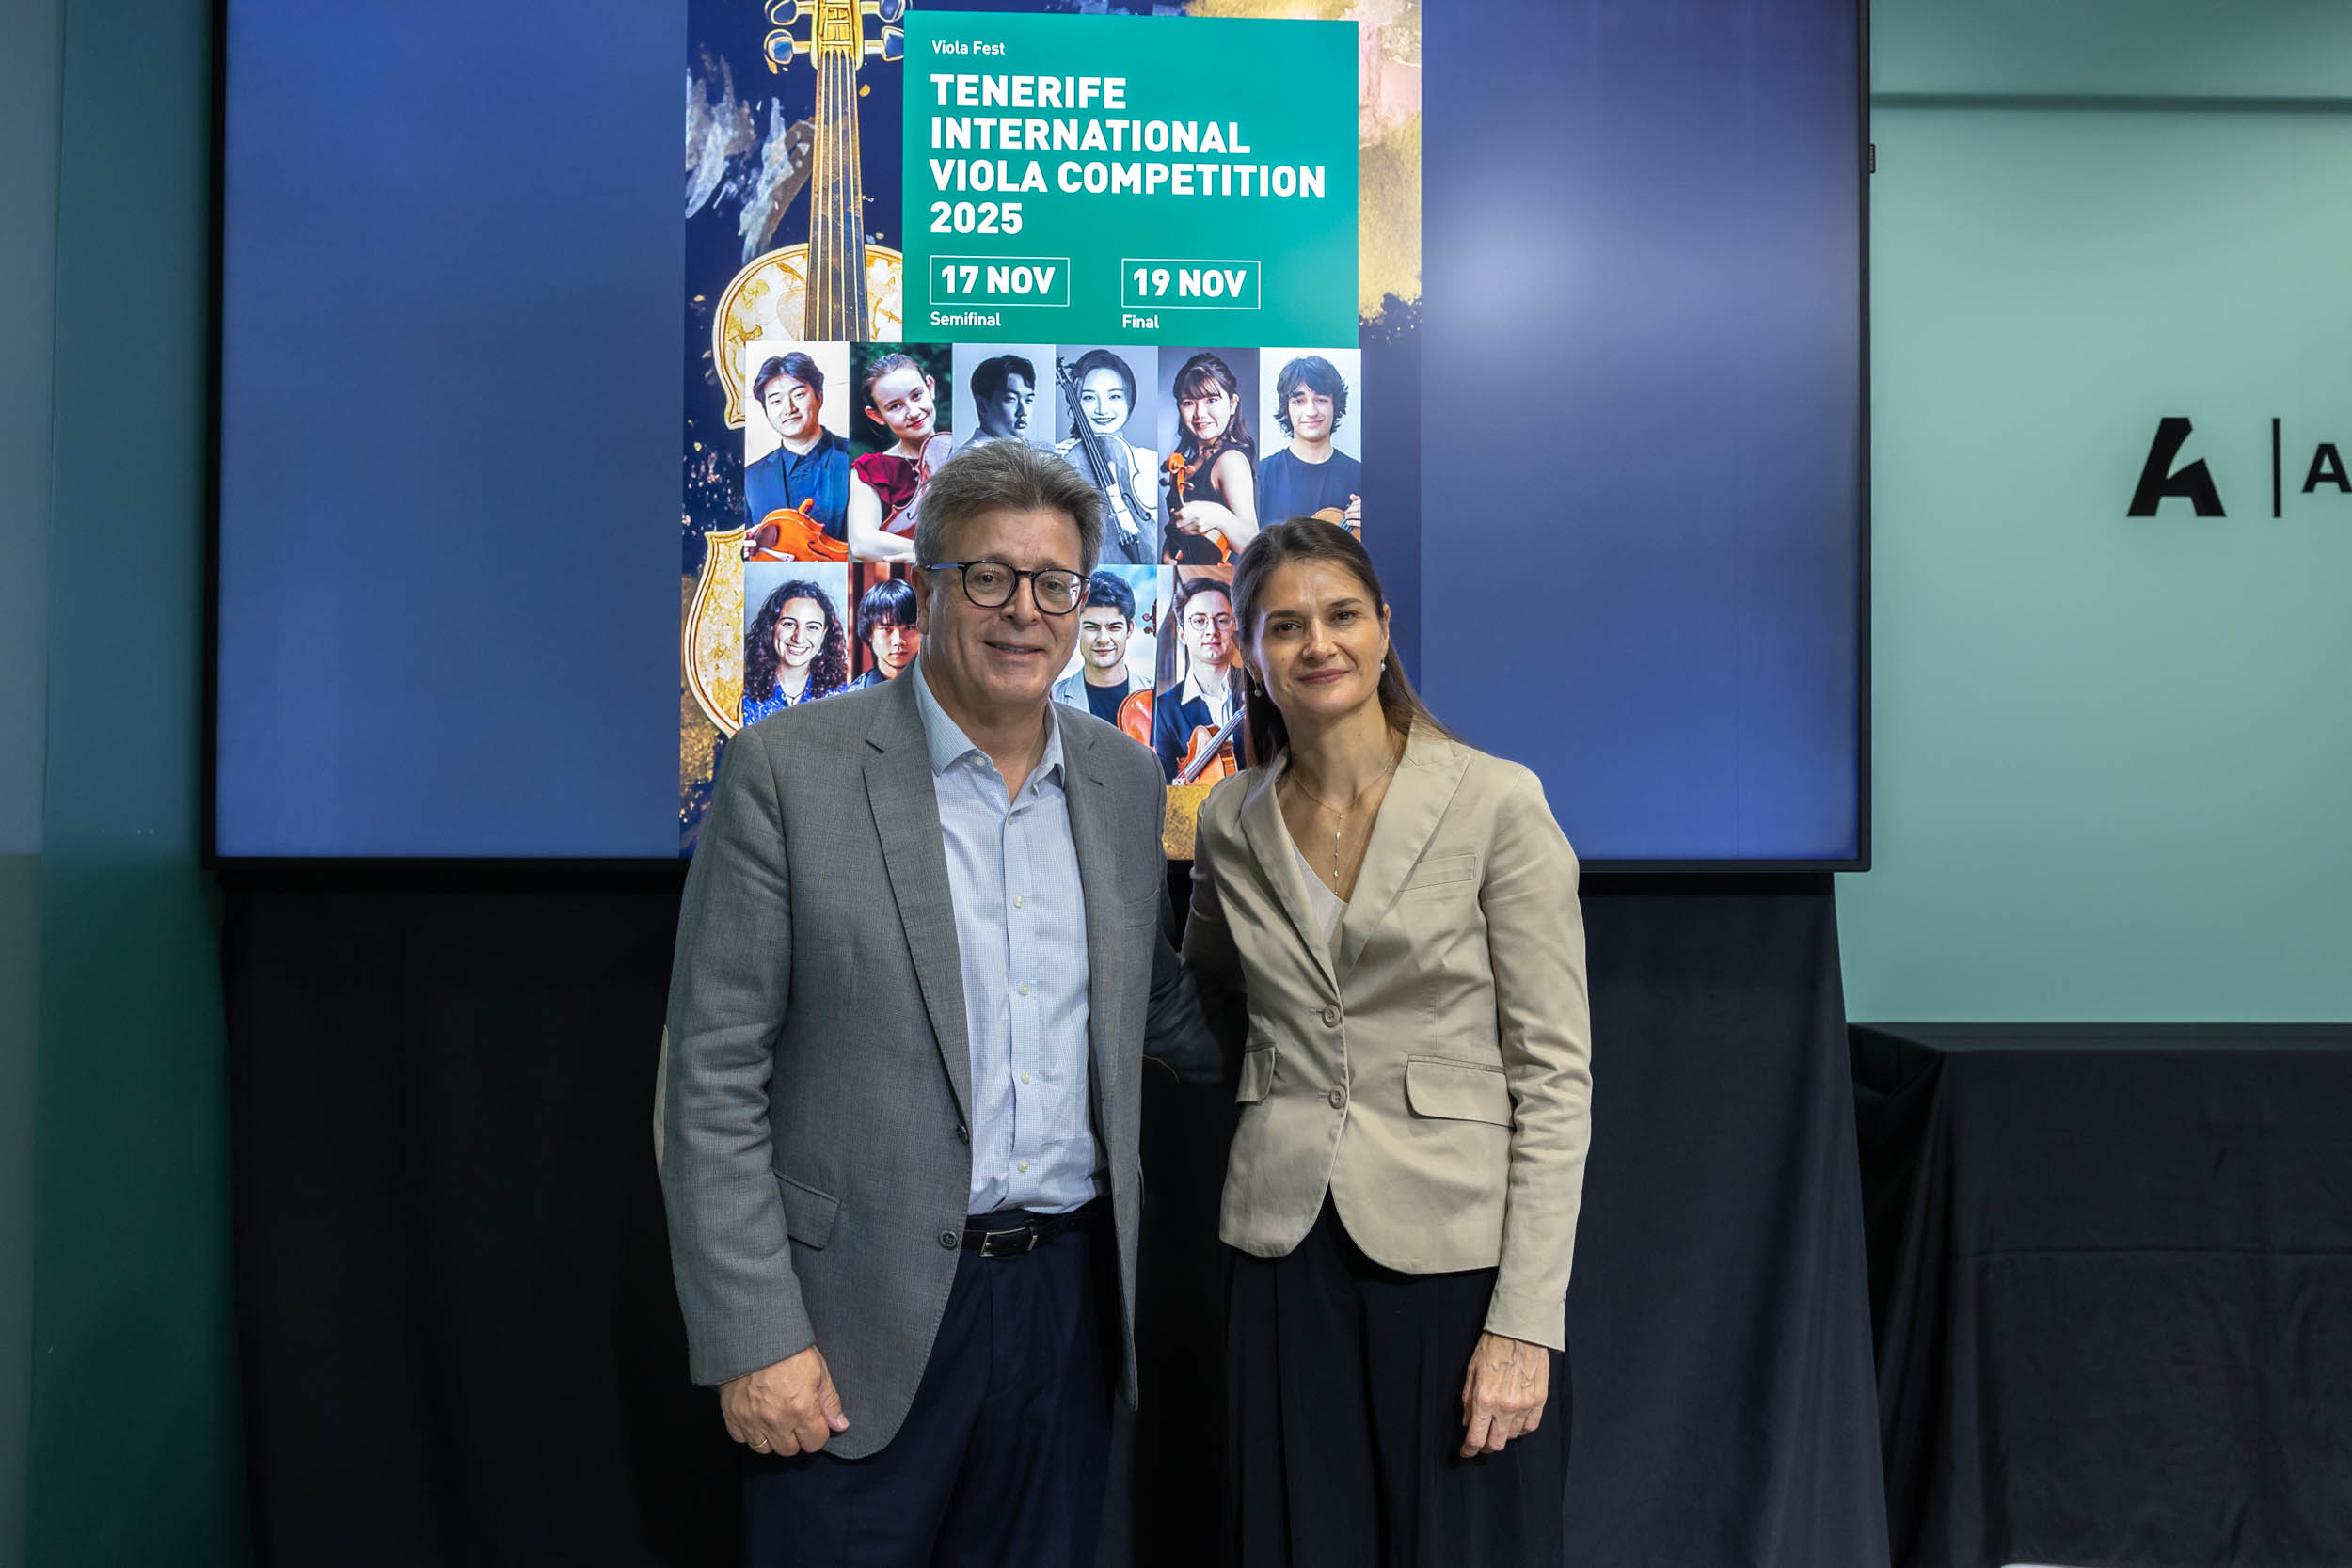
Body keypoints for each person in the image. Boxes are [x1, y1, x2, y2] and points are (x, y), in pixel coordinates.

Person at [661, 438, 1220, 1568]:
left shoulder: (1121, 782)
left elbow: (1159, 1011)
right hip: (849, 1321)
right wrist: (754, 1336)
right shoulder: (787, 771)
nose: (1025, 610)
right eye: (989, 576)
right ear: (924, 586)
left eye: (1053, 582)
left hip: (1067, 1312)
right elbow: (709, 1079)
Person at [1182, 518, 1591, 1568]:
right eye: (1284, 624)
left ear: (1382, 629)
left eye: (1340, 615)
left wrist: (1525, 1321)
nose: (1316, 642)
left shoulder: (1498, 799)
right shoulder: (1229, 818)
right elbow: (1209, 983)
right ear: (1246, 649)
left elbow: (1554, 1077)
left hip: (1454, 1260)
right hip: (1277, 1250)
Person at [1055, 348, 1159, 566]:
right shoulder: (1060, 457)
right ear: (1075, 403)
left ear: (1129, 401)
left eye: (1114, 396)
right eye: (1089, 397)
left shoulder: (1151, 461)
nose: (1103, 409)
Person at [848, 353, 948, 563]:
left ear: (930, 387)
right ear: (876, 416)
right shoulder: (871, 469)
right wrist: (934, 555)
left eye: (917, 395)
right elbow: (862, 543)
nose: (912, 411)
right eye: (895, 406)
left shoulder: (963, 453)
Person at [1163, 352, 1259, 563]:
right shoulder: (1188, 462)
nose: (1200, 414)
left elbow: (1253, 542)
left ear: (1233, 403)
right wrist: (1170, 551)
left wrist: (1216, 514)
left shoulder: (1230, 461)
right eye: (1189, 402)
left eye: (1211, 400)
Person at [745, 351, 852, 541]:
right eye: (776, 401)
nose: (789, 408)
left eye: (799, 394)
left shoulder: (856, 458)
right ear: (766, 410)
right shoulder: (751, 477)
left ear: (819, 396)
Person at [1151, 573, 1243, 783]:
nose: (1212, 630)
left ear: (1234, 627)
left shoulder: (1262, 692)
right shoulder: (1164, 711)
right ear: (1182, 633)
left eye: (1221, 620)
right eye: (1199, 621)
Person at [1256, 355, 1362, 535]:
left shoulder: (1363, 477)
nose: (1311, 411)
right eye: (1299, 401)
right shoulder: (1259, 476)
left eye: (1321, 399)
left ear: (1335, 406)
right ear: (1286, 410)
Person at [742, 578, 850, 722]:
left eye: (812, 627)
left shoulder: (843, 695)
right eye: (789, 624)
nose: (799, 638)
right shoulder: (740, 691)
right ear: (771, 627)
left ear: (824, 634)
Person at [1051, 571, 1144, 725]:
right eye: (1091, 627)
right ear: (1076, 628)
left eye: (1114, 627)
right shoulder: (1053, 698)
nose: (1103, 639)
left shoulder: (1156, 696)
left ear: (1129, 629)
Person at [850, 577, 921, 689]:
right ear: (870, 634)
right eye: (886, 629)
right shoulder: (854, 696)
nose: (898, 641)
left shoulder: (942, 691)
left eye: (909, 628)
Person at [958, 353, 1038, 451]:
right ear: (982, 405)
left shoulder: (1023, 451)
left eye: (1028, 400)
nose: (1023, 411)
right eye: (1011, 399)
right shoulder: (969, 458)